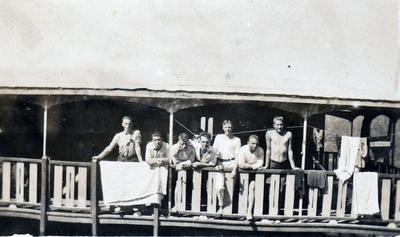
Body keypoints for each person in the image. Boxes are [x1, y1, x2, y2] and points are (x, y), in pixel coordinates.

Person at [213, 120, 241, 214]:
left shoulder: (237, 140)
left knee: (230, 189)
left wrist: (234, 170)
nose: (227, 129)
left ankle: (227, 212)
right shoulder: (218, 137)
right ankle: (220, 206)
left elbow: (237, 156)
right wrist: (217, 163)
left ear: (232, 127)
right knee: (219, 187)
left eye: (229, 127)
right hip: (220, 164)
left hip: (231, 164)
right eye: (225, 127)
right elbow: (214, 152)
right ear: (222, 127)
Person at [237, 135, 264, 220]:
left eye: (256, 144)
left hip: (254, 174)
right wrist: (252, 166)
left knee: (252, 189)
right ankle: (240, 213)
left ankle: (249, 212)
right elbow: (240, 164)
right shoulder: (243, 149)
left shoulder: (260, 150)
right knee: (241, 191)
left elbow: (260, 163)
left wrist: (249, 166)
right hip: (242, 173)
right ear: (248, 143)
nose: (255, 146)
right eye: (252, 143)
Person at [171, 133, 196, 212]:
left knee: (188, 187)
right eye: (182, 143)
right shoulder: (174, 147)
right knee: (176, 187)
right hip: (176, 170)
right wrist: (178, 149)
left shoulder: (191, 147)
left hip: (187, 169)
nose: (184, 145)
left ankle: (185, 206)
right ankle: (175, 205)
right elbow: (174, 160)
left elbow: (191, 160)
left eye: (185, 143)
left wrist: (183, 164)